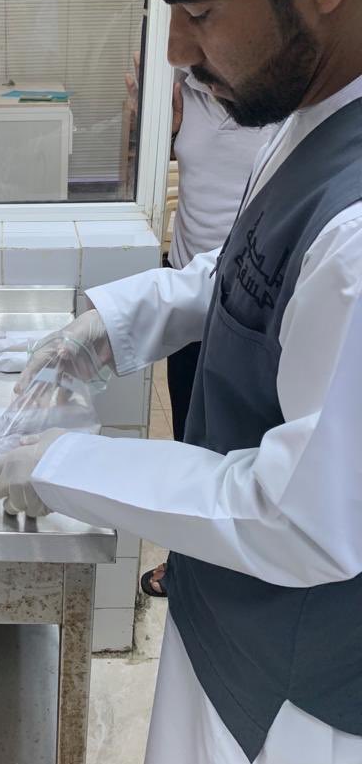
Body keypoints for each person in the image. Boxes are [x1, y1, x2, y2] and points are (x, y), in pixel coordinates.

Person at [0, 0, 362, 764]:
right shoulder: (322, 108)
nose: (177, 52)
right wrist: (112, 324)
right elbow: (252, 273)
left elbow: (301, 520)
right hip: (233, 618)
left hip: (300, 706)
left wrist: (66, 463)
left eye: (198, 11)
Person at [128, 58, 275, 596]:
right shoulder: (183, 87)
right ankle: (186, 561)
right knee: (191, 430)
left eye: (199, 18)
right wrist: (156, 130)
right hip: (188, 276)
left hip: (255, 296)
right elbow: (159, 168)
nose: (180, 42)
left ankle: (236, 570)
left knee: (242, 441)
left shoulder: (286, 98)